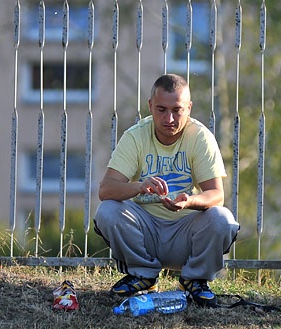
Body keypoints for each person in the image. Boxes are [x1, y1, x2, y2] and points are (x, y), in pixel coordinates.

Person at [94, 74, 239, 306]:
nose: (169, 118)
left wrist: (189, 201)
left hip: (186, 232)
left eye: (177, 110)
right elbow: (106, 189)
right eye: (161, 109)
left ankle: (195, 280)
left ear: (189, 108)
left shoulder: (201, 137)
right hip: (145, 231)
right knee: (108, 211)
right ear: (150, 106)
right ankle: (143, 275)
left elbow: (217, 195)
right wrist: (139, 187)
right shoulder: (135, 136)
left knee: (222, 218)